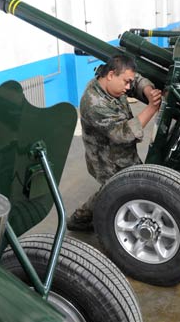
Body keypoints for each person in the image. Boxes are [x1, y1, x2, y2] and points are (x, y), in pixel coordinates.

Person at [67, 54, 162, 231]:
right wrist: (152, 108)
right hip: (106, 160)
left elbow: (136, 80)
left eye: (129, 82)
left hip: (122, 153)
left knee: (121, 186)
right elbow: (123, 134)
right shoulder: (94, 102)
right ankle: (79, 219)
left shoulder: (112, 83)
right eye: (126, 82)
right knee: (113, 189)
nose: (128, 87)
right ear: (111, 75)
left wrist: (149, 91)